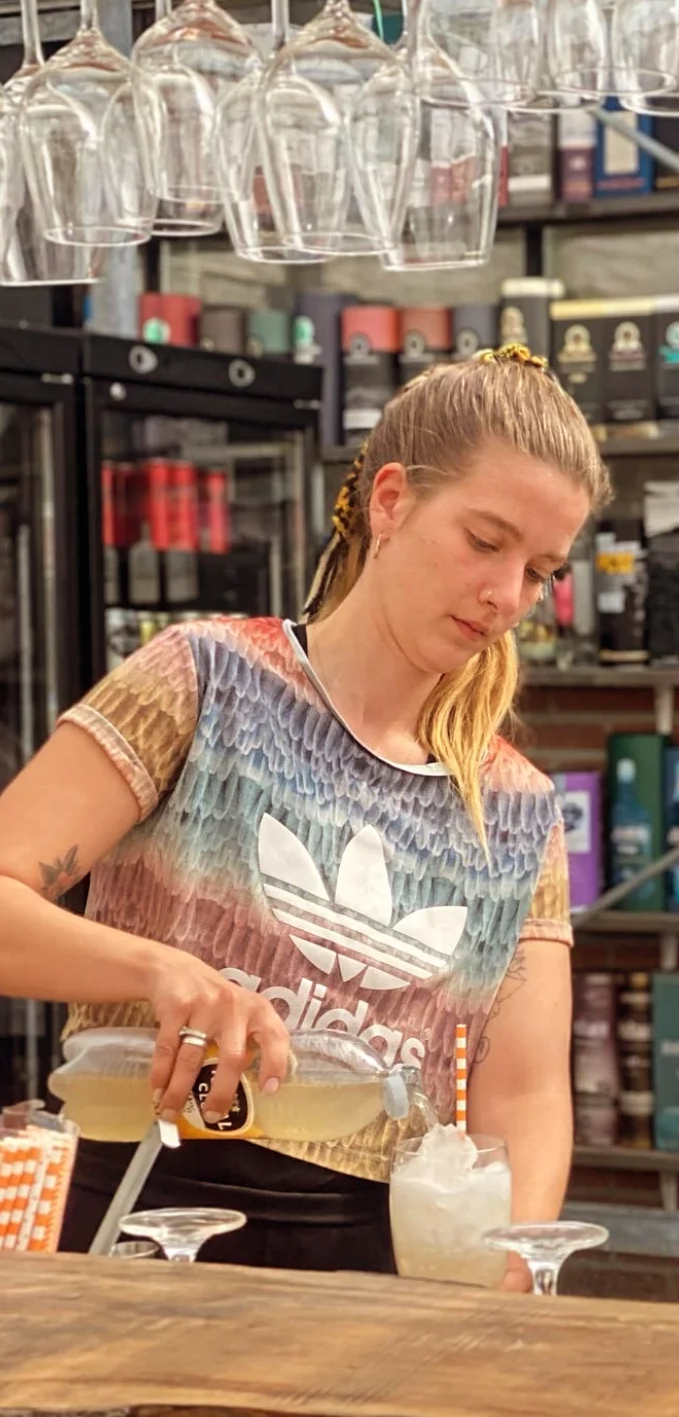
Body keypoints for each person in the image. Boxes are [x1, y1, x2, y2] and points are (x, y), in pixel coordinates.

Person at [0, 343, 610, 1276]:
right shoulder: (206, 680)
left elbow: (522, 1103)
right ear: (391, 501)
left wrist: (509, 1290)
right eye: (486, 542)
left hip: (377, 1262)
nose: (506, 596)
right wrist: (162, 972)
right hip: (142, 1223)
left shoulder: (516, 810)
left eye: (541, 571)